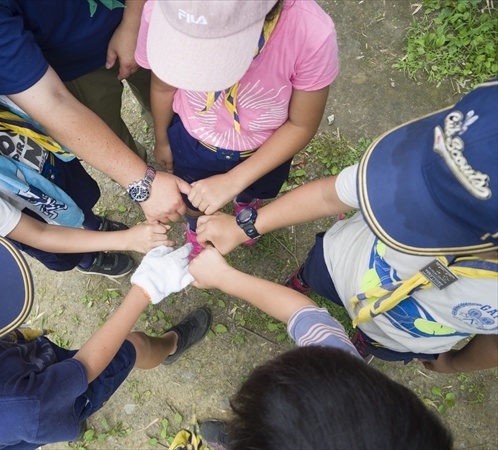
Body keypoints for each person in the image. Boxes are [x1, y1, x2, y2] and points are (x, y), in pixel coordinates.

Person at [196, 79, 498, 372]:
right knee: (315, 273)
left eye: (428, 214)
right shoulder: (450, 155)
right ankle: (305, 282)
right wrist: (243, 228)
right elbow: (330, 196)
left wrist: (455, 363)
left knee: (378, 342)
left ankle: (364, 343)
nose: (402, 198)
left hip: (400, 336)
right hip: (338, 262)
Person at [0, 27, 175, 276]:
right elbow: (40, 233)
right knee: (66, 250)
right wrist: (127, 240)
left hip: (47, 164)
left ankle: (93, 224)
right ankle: (89, 260)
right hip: (31, 214)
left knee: (80, 199)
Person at [0, 235, 211, 449]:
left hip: (29, 392)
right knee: (135, 344)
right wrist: (145, 289)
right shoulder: (20, 406)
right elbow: (84, 366)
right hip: (44, 401)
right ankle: (169, 346)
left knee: (44, 410)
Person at [0, 0, 190, 225]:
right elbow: (50, 100)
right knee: (117, 138)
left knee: (178, 108)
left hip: (148, 19)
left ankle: (187, 165)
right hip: (65, 68)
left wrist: (133, 14)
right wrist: (141, 180)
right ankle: (170, 177)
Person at [188, 246, 453, 450]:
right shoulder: (345, 387)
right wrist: (224, 276)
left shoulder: (347, 390)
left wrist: (224, 276)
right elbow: (301, 313)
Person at [134, 0, 337, 257]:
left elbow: (301, 124)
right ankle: (197, 228)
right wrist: (163, 138)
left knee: (256, 188)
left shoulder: (311, 33)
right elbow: (163, 87)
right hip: (194, 141)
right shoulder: (161, 11)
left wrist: (233, 181)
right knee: (193, 199)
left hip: (265, 150)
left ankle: (246, 207)